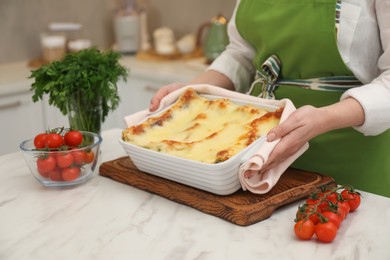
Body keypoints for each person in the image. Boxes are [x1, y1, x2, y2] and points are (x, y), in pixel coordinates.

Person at [149, 0, 390, 198]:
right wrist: (191, 90)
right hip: (258, 151)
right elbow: (241, 55)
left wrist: (322, 118)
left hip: (350, 155)